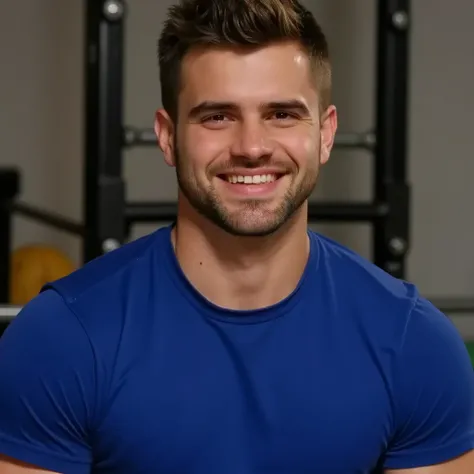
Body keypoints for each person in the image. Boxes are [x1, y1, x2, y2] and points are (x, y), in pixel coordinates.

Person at [1, 0, 474, 472]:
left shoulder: (413, 343)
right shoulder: (61, 339)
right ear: (167, 137)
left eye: (282, 115)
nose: (252, 147)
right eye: (217, 117)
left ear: (326, 134)